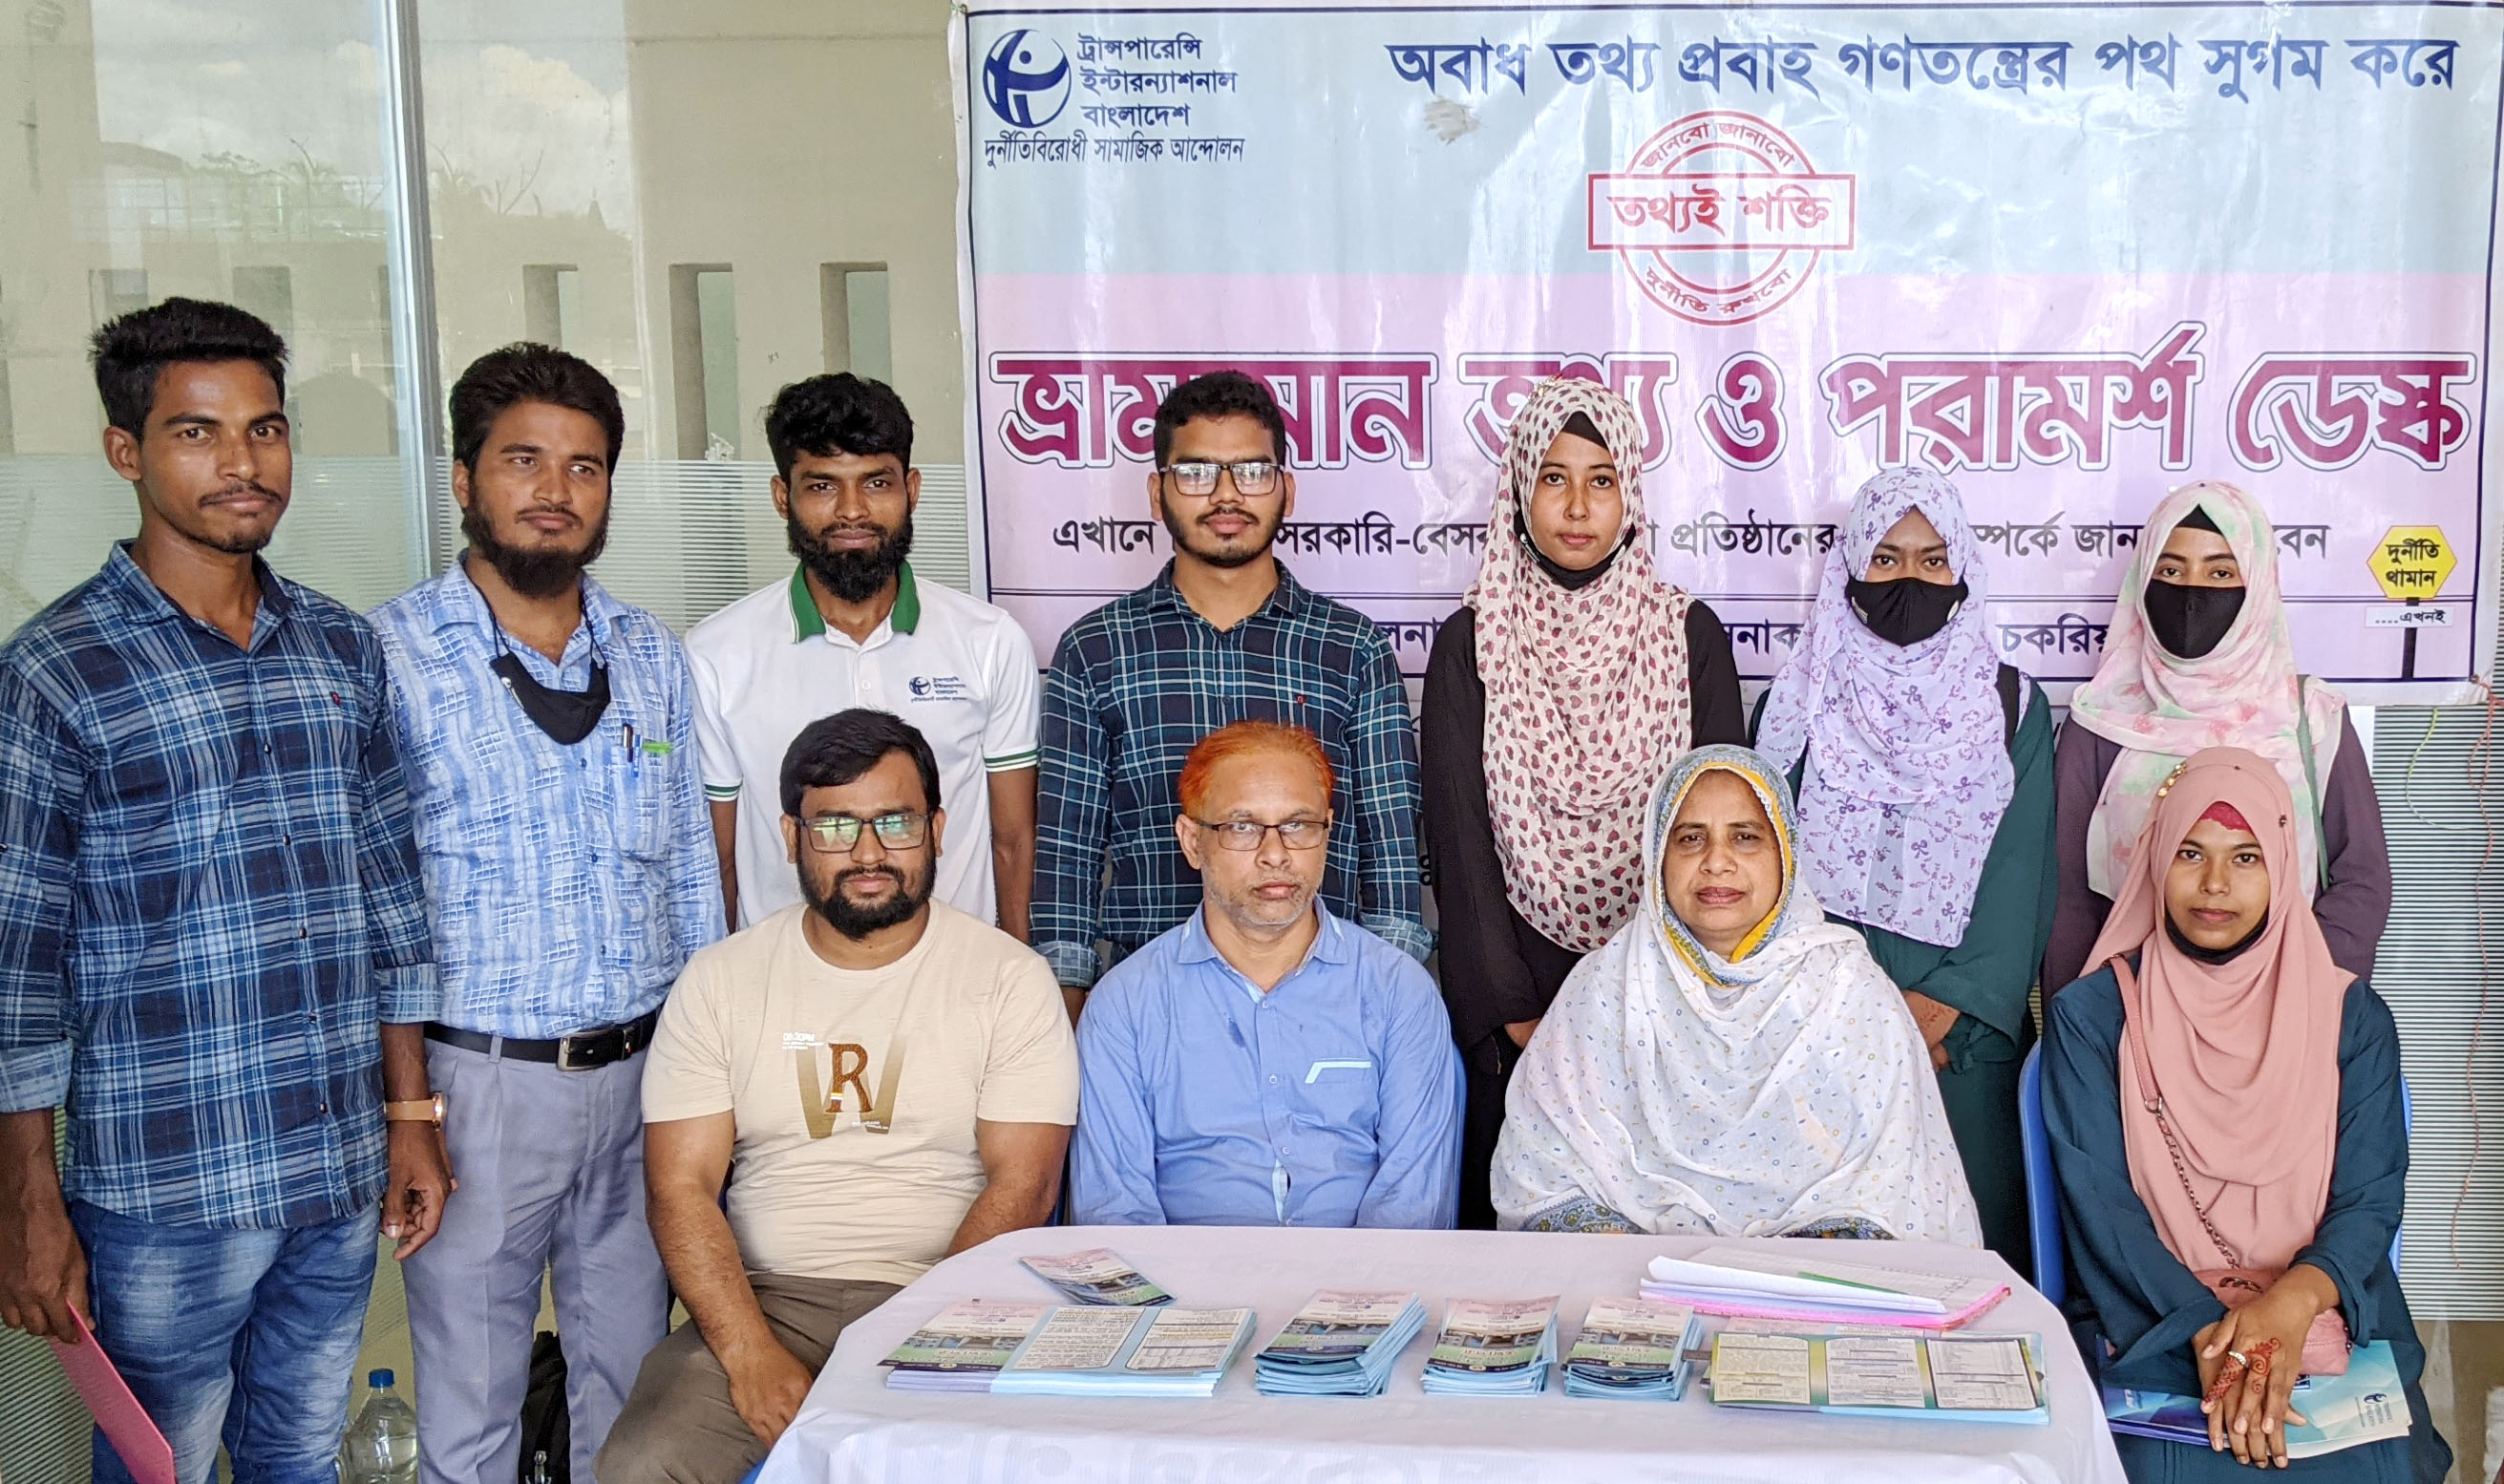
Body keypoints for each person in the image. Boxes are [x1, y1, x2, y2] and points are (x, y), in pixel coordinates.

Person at [0, 299, 441, 1483]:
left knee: (300, 1456)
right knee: (163, 1467)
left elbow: (390, 897)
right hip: (166, 1182)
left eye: (265, 428)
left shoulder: (339, 647)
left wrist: (410, 1117)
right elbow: (16, 963)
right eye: (197, 432)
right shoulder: (55, 672)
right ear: (125, 450)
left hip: (333, 1166)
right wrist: (26, 1201)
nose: (243, 462)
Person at [369, 345, 723, 1484]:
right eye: (523, 461)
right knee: (470, 1410)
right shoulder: (388, 657)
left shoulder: (652, 655)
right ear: (464, 479)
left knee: (633, 1401)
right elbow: (376, 903)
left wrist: (708, 1079)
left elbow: (691, 875)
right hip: (477, 1087)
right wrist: (409, 1108)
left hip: (643, 1077)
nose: (556, 490)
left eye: (585, 466)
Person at [604, 710, 1074, 1481]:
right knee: (644, 1464)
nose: (868, 853)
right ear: (790, 837)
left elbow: (1025, 1185)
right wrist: (750, 1356)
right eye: (834, 827)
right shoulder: (719, 981)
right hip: (770, 1302)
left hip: (954, 1296)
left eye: (896, 822)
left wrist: (924, 1341)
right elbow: (679, 1188)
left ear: (938, 830)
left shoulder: (1008, 979)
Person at [2043, 747, 2450, 1481]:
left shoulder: (2351, 1018)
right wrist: (2218, 1338)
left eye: (2246, 857)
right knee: (2152, 1466)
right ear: (2156, 857)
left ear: (2283, 867)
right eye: (2190, 852)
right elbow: (2104, 1212)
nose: (2215, 884)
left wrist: (2288, 1309)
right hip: (2155, 1318)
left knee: (2387, 1466)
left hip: (2321, 1306)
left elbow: (2368, 1200)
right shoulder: (2094, 1016)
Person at [1422, 375, 1746, 1230]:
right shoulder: (1471, 642)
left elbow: (1720, 833)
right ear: (1518, 490)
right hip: (1517, 994)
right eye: (1552, 478)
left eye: (1601, 480)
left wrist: (1677, 1001)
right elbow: (1461, 842)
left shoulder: (1689, 636)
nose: (1576, 506)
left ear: (1629, 492)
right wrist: (1516, 1013)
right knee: (1523, 1240)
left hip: (1665, 996)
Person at [1034, 371, 1428, 1020]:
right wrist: (1067, 998)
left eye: (1252, 471)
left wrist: (1392, 996)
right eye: (1196, 473)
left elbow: (1389, 842)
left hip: (1325, 1000)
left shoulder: (1350, 648)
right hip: (1150, 1006)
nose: (1225, 494)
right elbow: (1068, 847)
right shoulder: (1096, 650)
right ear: (1157, 492)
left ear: (1286, 490)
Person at [1751, 467, 2055, 1274]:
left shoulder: (2011, 706)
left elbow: (2020, 874)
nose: (1908, 579)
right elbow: (1764, 880)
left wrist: (1945, 1009)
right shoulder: (1795, 703)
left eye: (1931, 559)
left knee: (1970, 1271)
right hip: (1819, 1040)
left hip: (1959, 1044)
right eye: (1885, 559)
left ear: (1963, 570)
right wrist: (1843, 1018)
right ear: (1850, 567)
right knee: (1822, 1272)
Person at [1491, 745, 1982, 1242]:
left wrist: (1778, 1275)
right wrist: (1641, 1270)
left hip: (1810, 1278)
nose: (1717, 862)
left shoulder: (1849, 989)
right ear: (1658, 855)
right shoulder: (1606, 986)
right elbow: (1543, 1168)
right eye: (1691, 838)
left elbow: (1888, 1182)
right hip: (1632, 1274)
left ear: (1785, 853)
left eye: (1745, 837)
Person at [687, 374, 1039, 937]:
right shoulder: (716, 654)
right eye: (822, 486)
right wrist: (723, 975)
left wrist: (1019, 966)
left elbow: (1014, 840)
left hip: (954, 972)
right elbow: (716, 859)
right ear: (782, 497)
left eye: (876, 482)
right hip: (784, 974)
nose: (852, 510)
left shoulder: (990, 641)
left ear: (912, 489)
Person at [1072, 721, 1461, 1228]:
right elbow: (1115, 1212)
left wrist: (1352, 1282)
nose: (1275, 854)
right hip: (1187, 1276)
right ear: (1192, 841)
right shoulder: (1126, 1004)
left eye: (1298, 825)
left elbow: (1412, 1206)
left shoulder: (1396, 991)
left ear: (1327, 831)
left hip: (1363, 1274)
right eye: (1242, 827)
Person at [2047, 479, 2386, 992]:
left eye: (2220, 572)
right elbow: (2067, 897)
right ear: (2142, 580)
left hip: (2284, 998)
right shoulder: (2100, 719)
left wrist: (2306, 994)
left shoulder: (2309, 716)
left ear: (2258, 583)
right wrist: (2083, 1015)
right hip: (2131, 1005)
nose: (2191, 591)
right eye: (2170, 570)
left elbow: (2360, 879)